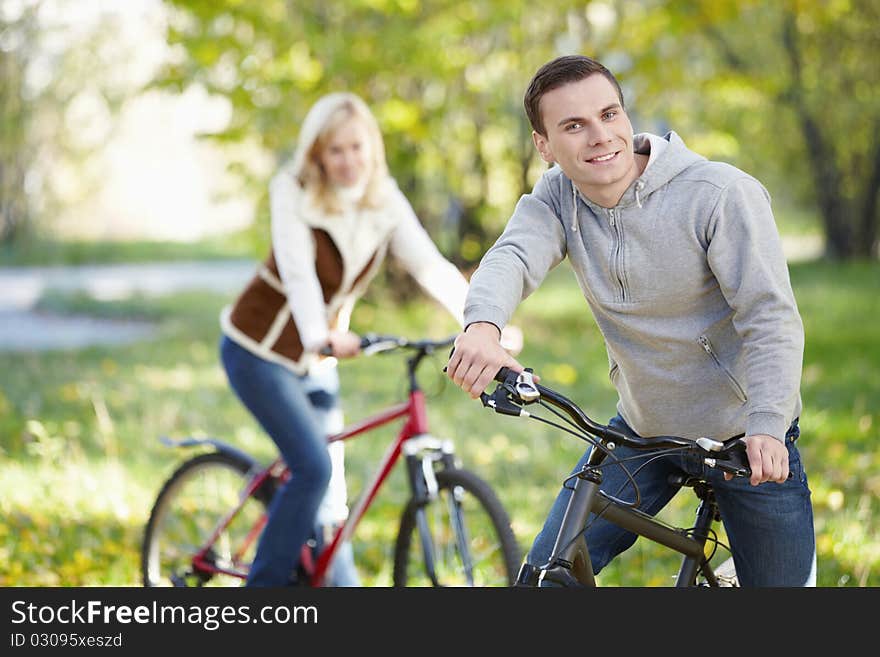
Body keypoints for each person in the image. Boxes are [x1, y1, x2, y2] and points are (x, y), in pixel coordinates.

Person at [445, 55, 816, 586]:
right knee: (546, 580)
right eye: (574, 125)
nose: (601, 137)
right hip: (643, 432)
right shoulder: (558, 194)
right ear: (544, 145)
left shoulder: (718, 194)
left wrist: (768, 424)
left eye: (609, 114)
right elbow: (512, 257)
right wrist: (483, 327)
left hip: (746, 438)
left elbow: (770, 317)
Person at [219, 92, 520, 586]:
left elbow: (429, 266)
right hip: (259, 353)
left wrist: (484, 324)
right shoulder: (291, 189)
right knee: (313, 471)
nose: (348, 161)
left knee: (332, 503)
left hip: (318, 362)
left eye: (357, 147)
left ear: (372, 149)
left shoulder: (383, 197)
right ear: (317, 154)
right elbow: (299, 275)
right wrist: (321, 336)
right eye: (334, 150)